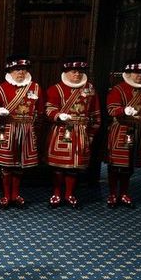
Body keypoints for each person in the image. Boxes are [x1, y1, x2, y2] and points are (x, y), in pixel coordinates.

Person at [0, 55, 43, 209]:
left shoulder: (35, 88)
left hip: (27, 131)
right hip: (8, 130)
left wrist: (36, 130)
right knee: (6, 165)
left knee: (20, 165)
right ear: (10, 71)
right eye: (17, 69)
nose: (21, 73)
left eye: (23, 69)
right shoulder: (1, 89)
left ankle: (15, 194)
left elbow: (40, 111)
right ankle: (5, 195)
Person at [45, 56, 101, 209]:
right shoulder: (55, 89)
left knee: (75, 167)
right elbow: (49, 109)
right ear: (66, 72)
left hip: (81, 132)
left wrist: (90, 134)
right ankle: (56, 193)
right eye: (73, 71)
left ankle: (70, 194)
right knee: (59, 166)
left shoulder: (89, 89)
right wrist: (57, 115)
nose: (77, 74)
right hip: (62, 131)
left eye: (80, 71)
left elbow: (96, 114)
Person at [104, 60, 141, 208]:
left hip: (139, 131)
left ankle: (124, 193)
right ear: (129, 73)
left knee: (130, 165)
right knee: (115, 164)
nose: (139, 76)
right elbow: (111, 109)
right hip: (121, 129)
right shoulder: (118, 89)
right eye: (136, 73)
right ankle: (113, 193)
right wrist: (123, 110)